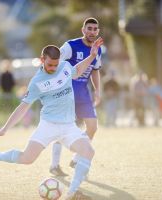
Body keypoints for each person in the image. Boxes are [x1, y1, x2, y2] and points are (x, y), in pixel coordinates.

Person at [0, 38, 103, 200]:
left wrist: (91, 57)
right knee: (27, 159)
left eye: (56, 64)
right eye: (50, 65)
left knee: (88, 151)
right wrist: (4, 129)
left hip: (68, 127)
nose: (53, 68)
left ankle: (73, 193)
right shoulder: (36, 82)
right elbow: (23, 108)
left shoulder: (65, 67)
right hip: (48, 126)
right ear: (42, 60)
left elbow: (77, 70)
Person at [50, 17, 103, 176]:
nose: (92, 32)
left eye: (95, 29)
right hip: (66, 92)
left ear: (97, 31)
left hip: (83, 93)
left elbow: (95, 70)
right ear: (83, 30)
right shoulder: (70, 45)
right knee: (60, 128)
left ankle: (76, 158)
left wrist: (98, 90)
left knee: (92, 127)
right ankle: (54, 165)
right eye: (89, 28)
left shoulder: (97, 49)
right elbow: (54, 61)